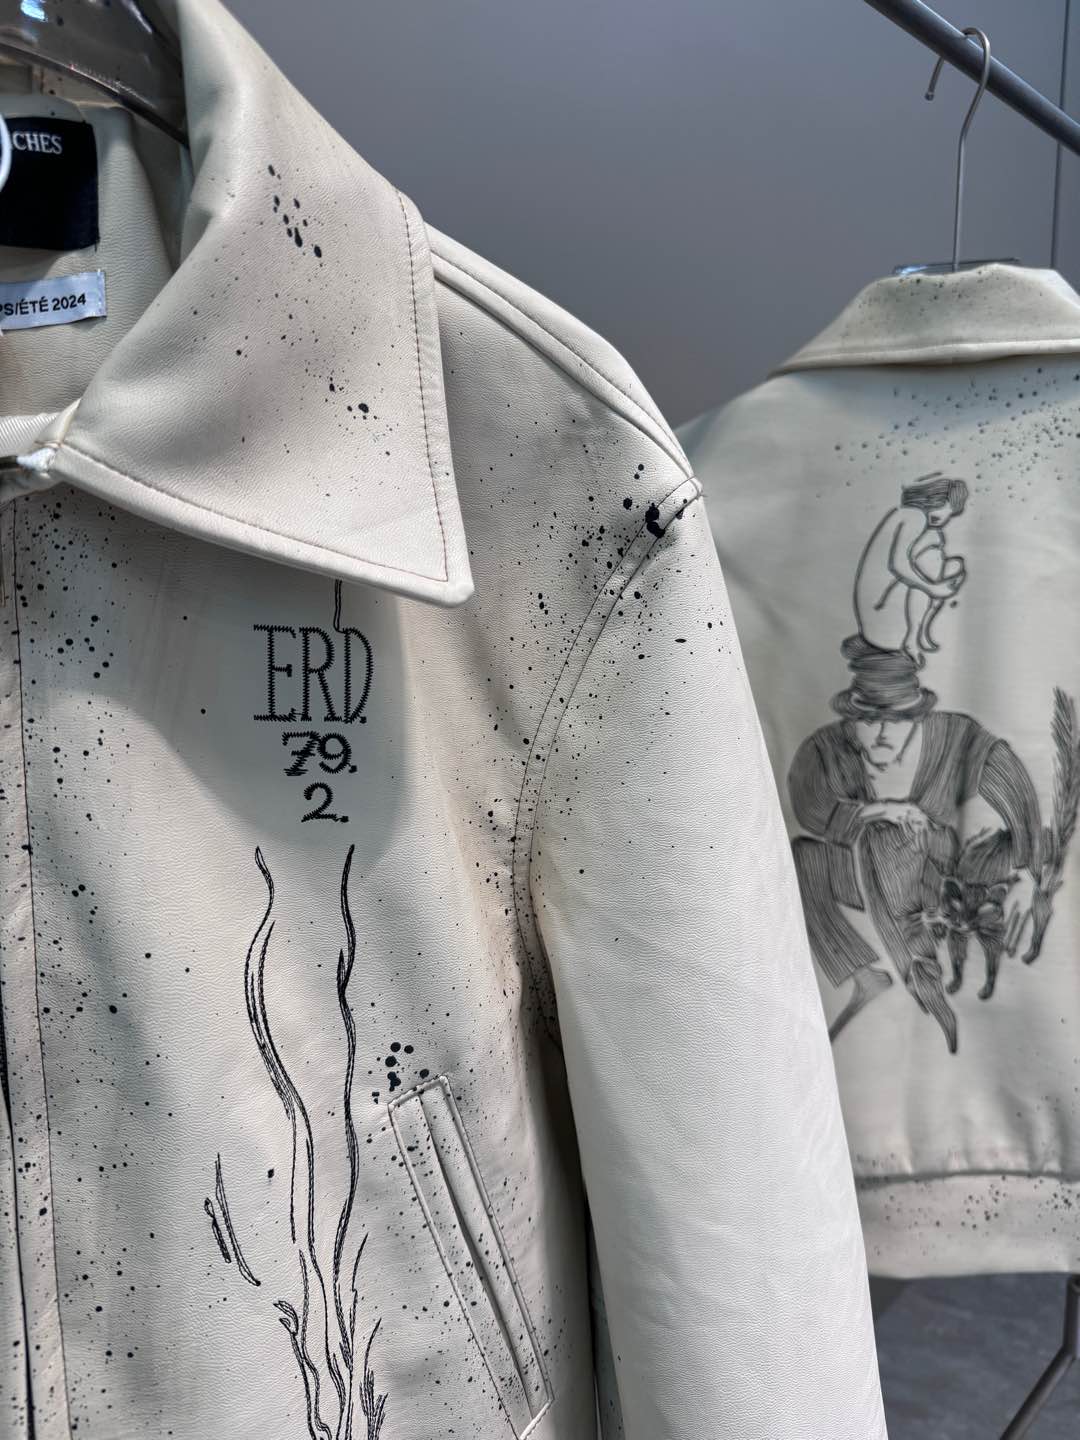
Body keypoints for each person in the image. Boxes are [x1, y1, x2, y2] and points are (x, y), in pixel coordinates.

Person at [789, 639, 1041, 1051]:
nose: (881, 734)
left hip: (933, 879)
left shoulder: (951, 736)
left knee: (890, 844)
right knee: (803, 858)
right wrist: (880, 810)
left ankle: (924, 979)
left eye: (897, 721)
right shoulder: (830, 747)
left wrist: (1028, 866)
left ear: (917, 716)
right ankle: (863, 973)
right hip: (860, 877)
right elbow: (808, 805)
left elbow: (1012, 781)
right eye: (868, 721)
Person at [853, 472, 969, 666]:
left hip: (885, 614)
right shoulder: (913, 515)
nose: (946, 518)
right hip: (883, 621)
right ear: (932, 500)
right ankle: (912, 638)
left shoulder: (912, 518)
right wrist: (933, 589)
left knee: (951, 562)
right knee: (930, 558)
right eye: (945, 511)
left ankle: (921, 630)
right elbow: (898, 564)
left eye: (951, 515)